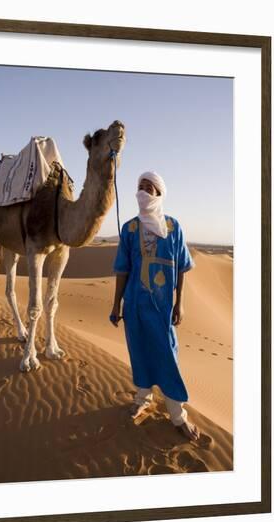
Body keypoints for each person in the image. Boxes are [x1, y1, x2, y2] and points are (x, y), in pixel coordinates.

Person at [110, 171, 200, 441]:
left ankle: (177, 414)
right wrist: (116, 305)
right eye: (140, 186)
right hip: (135, 304)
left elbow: (183, 267)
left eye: (150, 188)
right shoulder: (129, 228)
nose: (144, 192)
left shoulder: (173, 226)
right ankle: (143, 398)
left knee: (167, 356)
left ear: (159, 194)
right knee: (139, 352)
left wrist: (180, 302)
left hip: (162, 307)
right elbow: (122, 270)